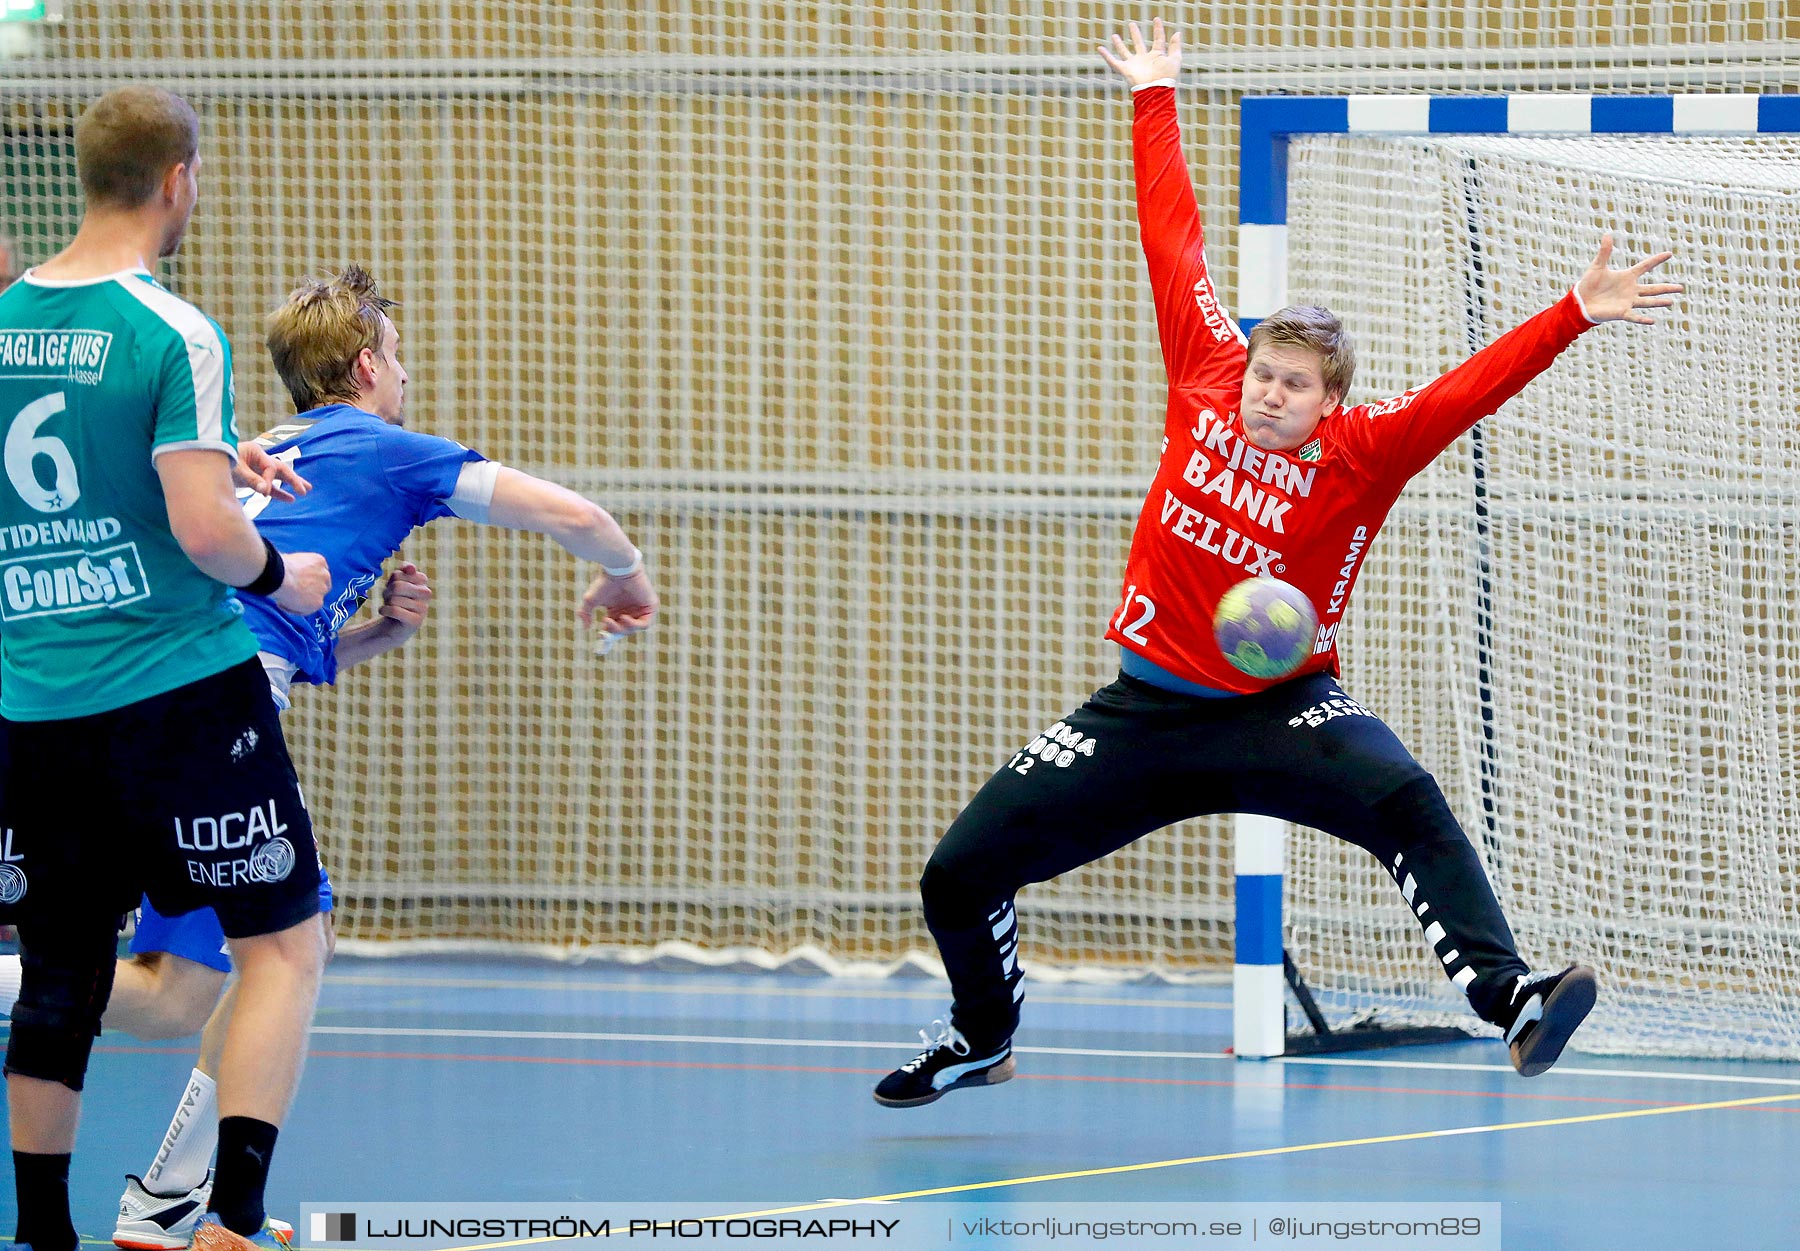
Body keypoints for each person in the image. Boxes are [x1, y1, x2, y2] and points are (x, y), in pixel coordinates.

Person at [872, 20, 1683, 1109]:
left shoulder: (1368, 451)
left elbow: (1470, 388)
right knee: (957, 873)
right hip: (1143, 712)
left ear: (1329, 400)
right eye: (1265, 371)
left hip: (1283, 707)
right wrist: (1153, 96)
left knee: (1402, 795)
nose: (1269, 393)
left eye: (1296, 384)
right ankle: (984, 1037)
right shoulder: (1205, 374)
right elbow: (1175, 241)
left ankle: (1510, 1003)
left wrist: (1575, 312)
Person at [6, 261, 657, 1248]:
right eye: (399, 355)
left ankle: (168, 1201)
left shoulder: (262, 453)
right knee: (284, 952)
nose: (405, 374)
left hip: (155, 682)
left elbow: (275, 622)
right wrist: (626, 571)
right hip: (209, 709)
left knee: (187, 990)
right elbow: (568, 512)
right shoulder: (387, 448)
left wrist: (375, 637)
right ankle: (216, 1213)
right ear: (366, 364)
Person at [0, 85, 333, 1250]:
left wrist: (193, 453)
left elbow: (72, 476)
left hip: (34, 701)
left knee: (62, 975)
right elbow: (206, 533)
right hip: (178, 695)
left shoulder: (2, 323)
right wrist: (279, 577)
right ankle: (233, 1220)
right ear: (178, 181)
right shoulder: (171, 330)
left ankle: (43, 1235)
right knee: (284, 945)